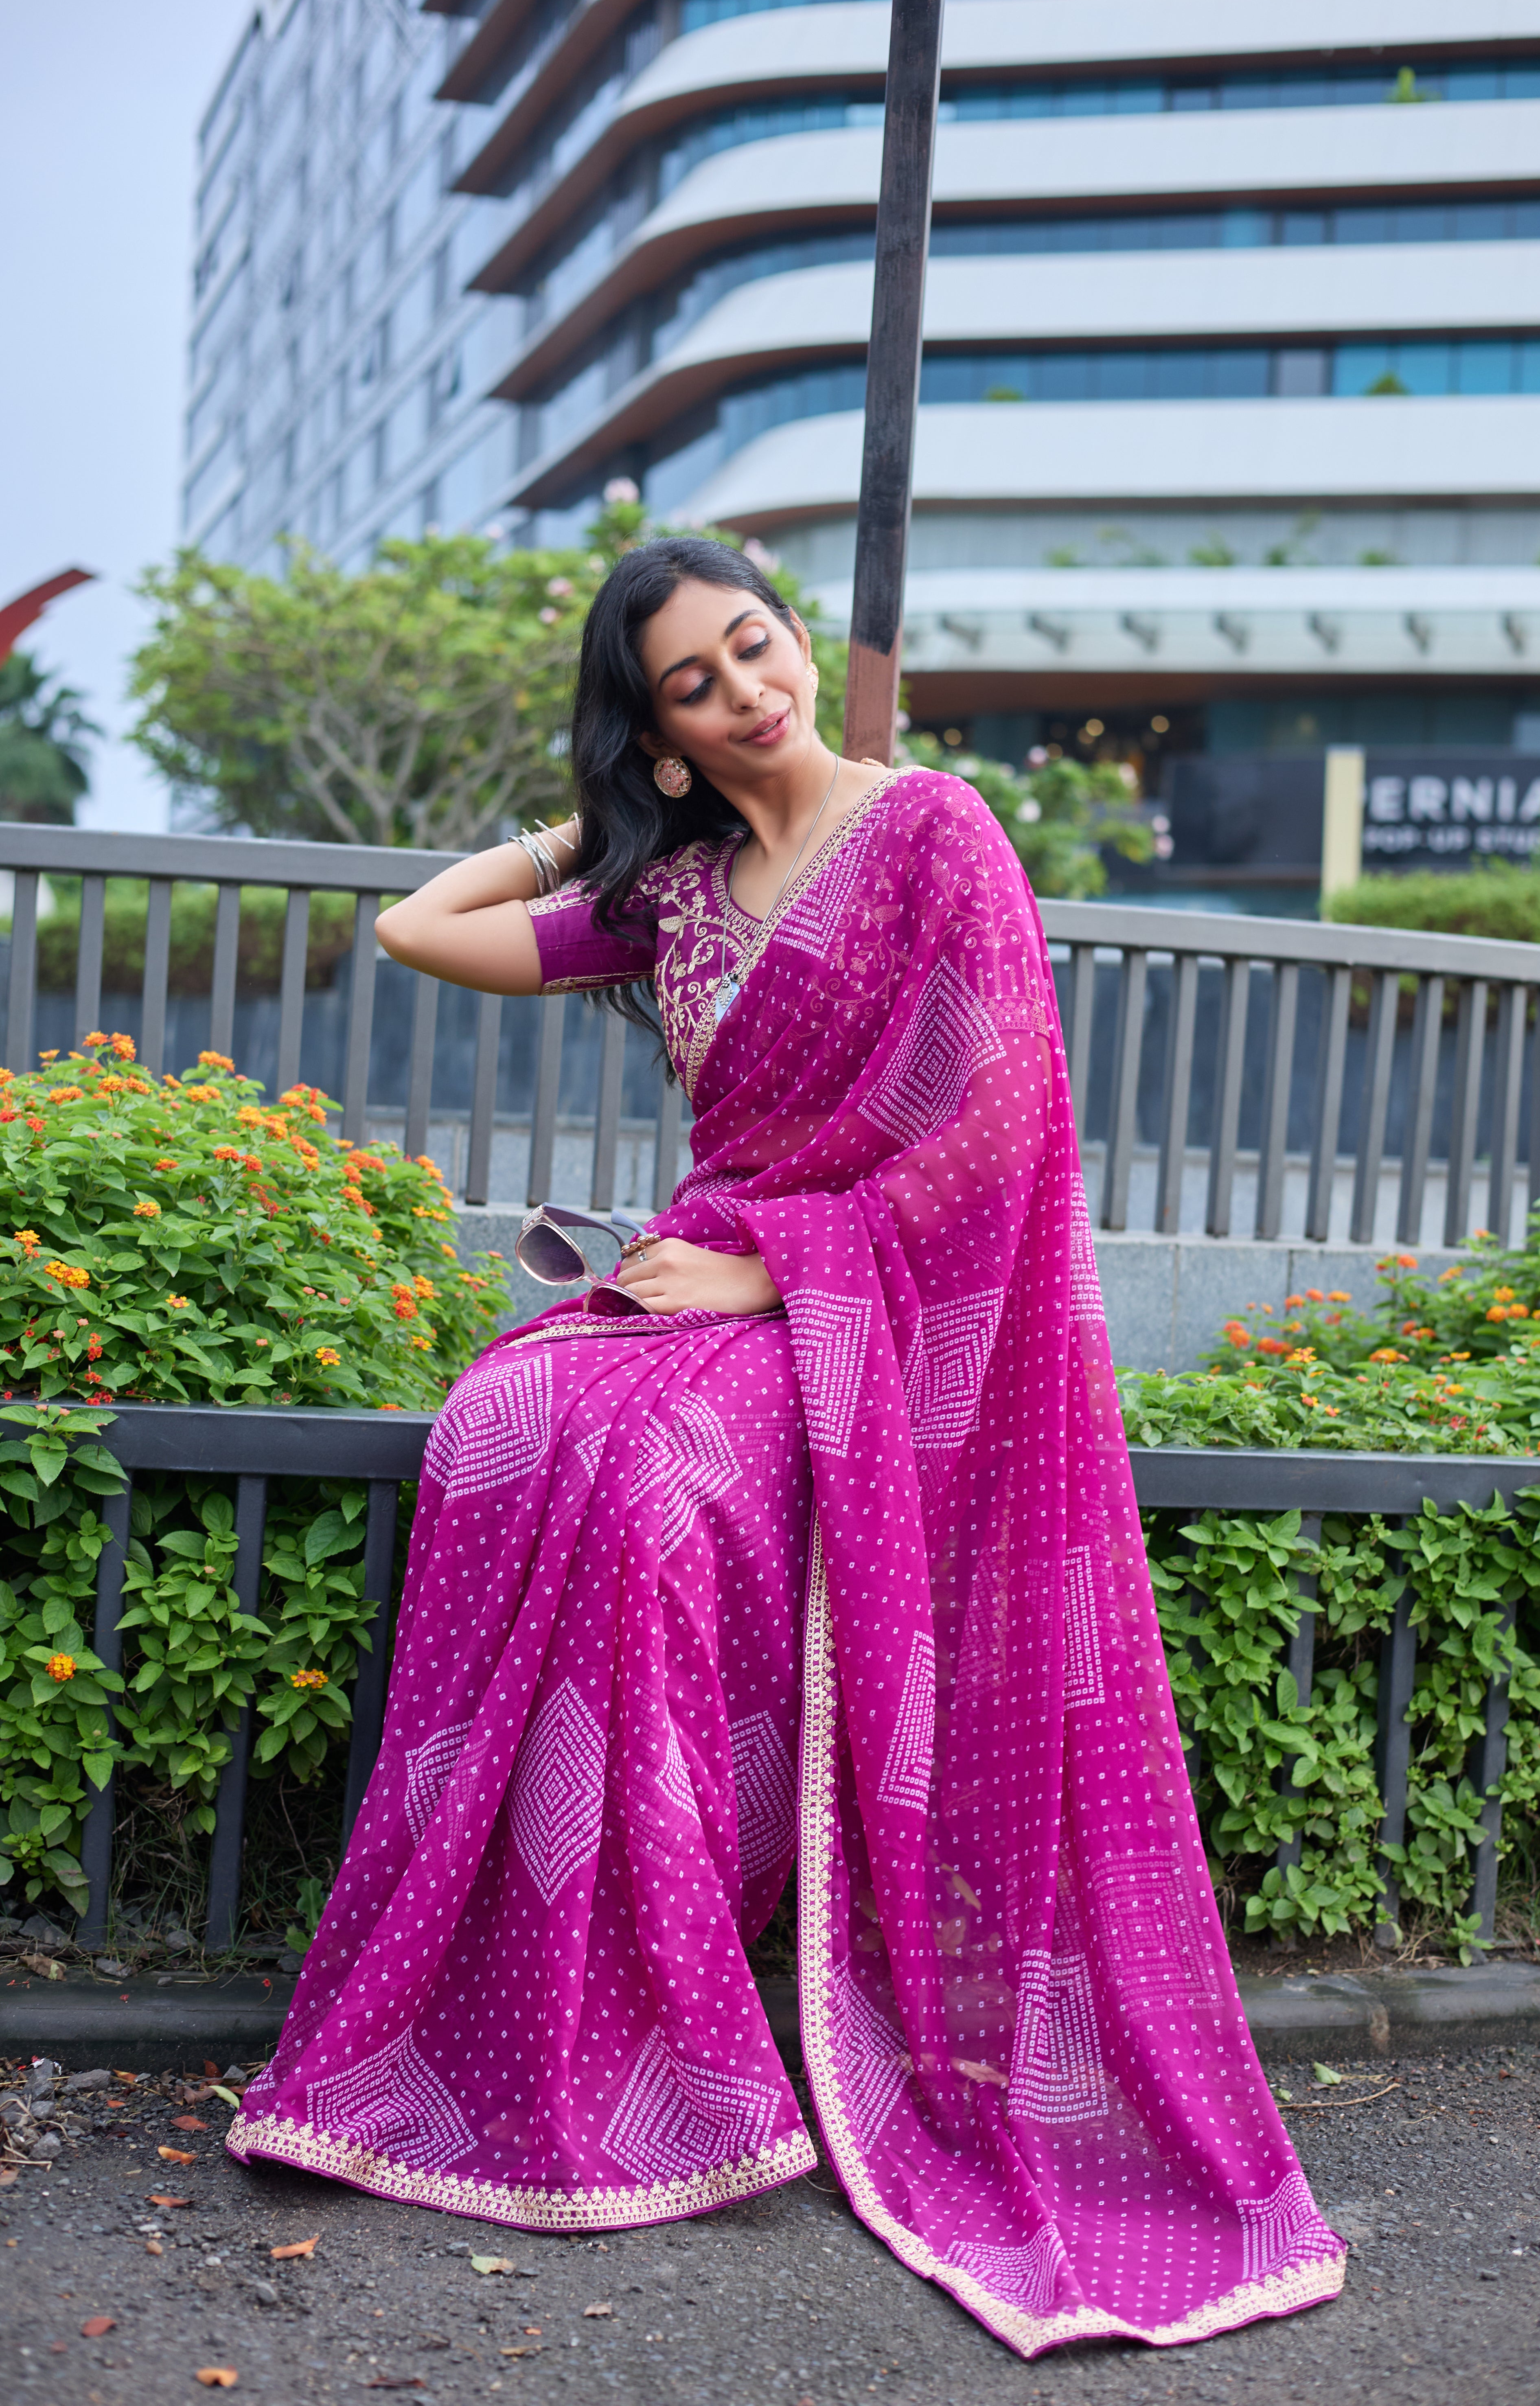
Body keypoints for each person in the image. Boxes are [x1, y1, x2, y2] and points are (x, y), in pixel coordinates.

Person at [229, 536, 1344, 2358]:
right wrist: (589, 832)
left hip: (844, 1309)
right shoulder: (672, 894)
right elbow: (415, 929)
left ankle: (680, 2020)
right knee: (507, 1417)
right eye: (693, 683)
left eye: (754, 646)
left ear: (792, 642)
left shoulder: (932, 834)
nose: (749, 688)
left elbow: (996, 1123)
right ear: (658, 735)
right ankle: (511, 2001)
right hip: (705, 1279)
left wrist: (773, 1269)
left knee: (662, 1490)